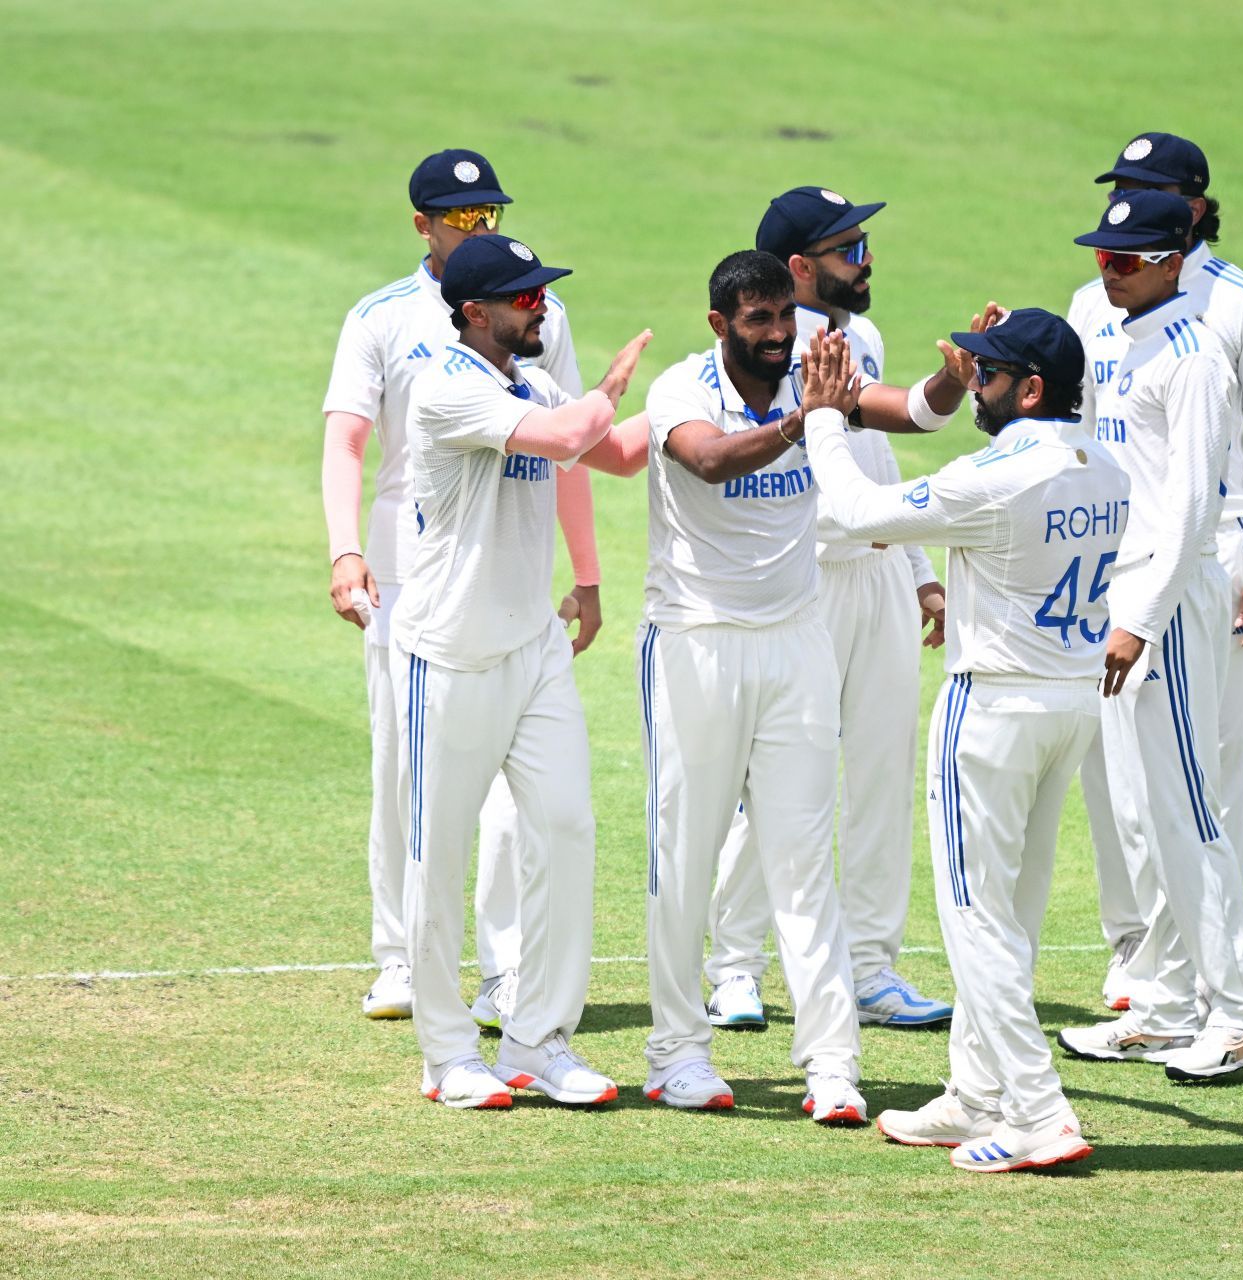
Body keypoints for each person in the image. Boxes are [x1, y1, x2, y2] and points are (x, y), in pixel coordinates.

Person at [804, 311, 1129, 1172]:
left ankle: (1036, 1110)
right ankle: (976, 1093)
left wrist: (826, 417)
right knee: (1012, 913)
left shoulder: (993, 479)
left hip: (991, 709)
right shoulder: (1109, 466)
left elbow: (856, 509)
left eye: (986, 374)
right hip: (1072, 705)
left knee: (974, 919)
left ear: (1029, 389)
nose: (972, 384)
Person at [321, 148, 604, 1023]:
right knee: (406, 771)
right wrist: (343, 550)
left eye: (490, 215)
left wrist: (586, 571)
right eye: (463, 218)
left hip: (505, 559)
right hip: (408, 567)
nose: (480, 228)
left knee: (515, 792)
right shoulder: (380, 317)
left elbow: (567, 445)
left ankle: (505, 968)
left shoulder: (534, 311)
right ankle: (403, 959)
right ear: (423, 225)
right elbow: (348, 443)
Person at [394, 233, 652, 1109]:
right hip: (452, 654)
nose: (539, 305)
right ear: (475, 312)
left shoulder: (531, 381)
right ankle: (448, 1057)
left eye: (541, 293)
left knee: (566, 830)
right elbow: (576, 429)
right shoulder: (446, 387)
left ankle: (539, 1040)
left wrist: (716, 390)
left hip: (534, 649)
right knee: (440, 859)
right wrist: (611, 389)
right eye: (523, 297)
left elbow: (611, 454)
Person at [702, 187, 966, 1032]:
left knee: (883, 779)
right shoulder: (763, 354)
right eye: (848, 247)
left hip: (879, 577)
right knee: (783, 780)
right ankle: (735, 966)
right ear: (797, 267)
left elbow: (880, 455)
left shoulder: (864, 336)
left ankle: (869, 968)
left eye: (863, 243)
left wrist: (920, 569)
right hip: (805, 580)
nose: (866, 259)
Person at [1053, 192, 1243, 1082]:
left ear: (1169, 260)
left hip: (1173, 592)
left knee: (1190, 802)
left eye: (1123, 260)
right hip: (1137, 581)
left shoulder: (1190, 356)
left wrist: (1137, 622)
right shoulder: (1138, 335)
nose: (1106, 272)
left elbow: (1192, 504)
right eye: (1102, 258)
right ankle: (1161, 1001)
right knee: (1145, 809)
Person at [636, 250, 869, 1125]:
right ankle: (677, 1054)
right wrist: (805, 424)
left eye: (786, 317)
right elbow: (709, 461)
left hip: (797, 645)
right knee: (684, 856)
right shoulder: (679, 390)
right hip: (696, 643)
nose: (779, 335)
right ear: (720, 324)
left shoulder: (816, 373)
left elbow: (897, 414)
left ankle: (833, 1064)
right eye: (760, 321)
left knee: (805, 859)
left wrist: (951, 390)